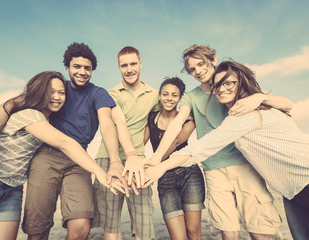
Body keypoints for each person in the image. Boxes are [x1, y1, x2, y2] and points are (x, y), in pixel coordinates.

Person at [0, 43, 126, 240]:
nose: (82, 72)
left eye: (87, 68)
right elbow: (9, 105)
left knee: (81, 228)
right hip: (45, 156)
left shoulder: (98, 93)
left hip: (80, 160)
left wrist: (115, 162)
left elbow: (107, 124)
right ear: (67, 67)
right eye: (77, 66)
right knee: (38, 229)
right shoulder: (55, 89)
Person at [144, 60, 309, 240]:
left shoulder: (246, 115)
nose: (221, 89)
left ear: (242, 82)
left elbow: (203, 146)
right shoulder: (246, 109)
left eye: (228, 83)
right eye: (216, 86)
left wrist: (160, 165)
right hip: (290, 189)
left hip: (304, 178)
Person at [92, 46, 161, 240]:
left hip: (138, 162)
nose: (129, 69)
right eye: (124, 65)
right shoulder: (111, 94)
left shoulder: (154, 95)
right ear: (118, 67)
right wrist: (130, 153)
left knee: (143, 222)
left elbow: (151, 125)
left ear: (140, 63)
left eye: (133, 64)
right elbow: (118, 123)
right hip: (108, 159)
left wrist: (137, 152)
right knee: (111, 222)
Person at [143, 77, 205, 240]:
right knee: (178, 236)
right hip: (165, 178)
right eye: (165, 94)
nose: (169, 98)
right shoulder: (151, 119)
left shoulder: (188, 119)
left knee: (193, 232)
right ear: (160, 96)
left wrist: (156, 163)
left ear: (180, 98)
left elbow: (177, 140)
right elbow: (140, 143)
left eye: (174, 95)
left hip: (190, 173)